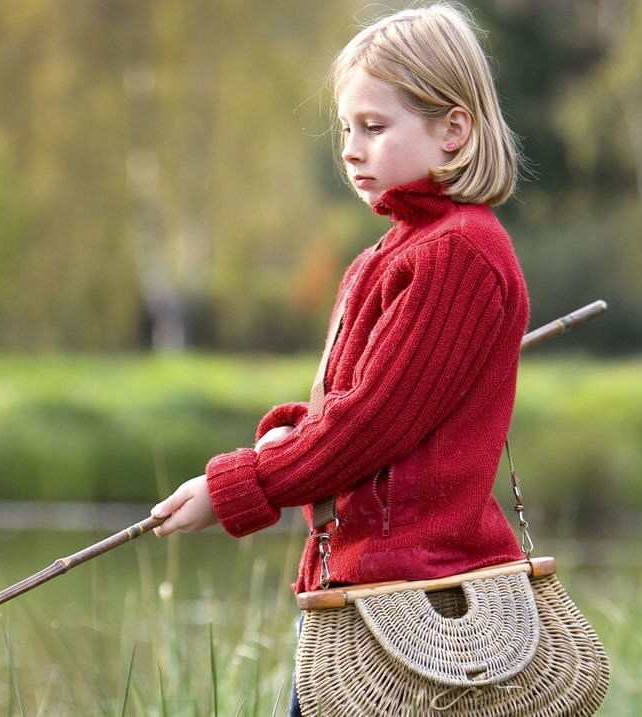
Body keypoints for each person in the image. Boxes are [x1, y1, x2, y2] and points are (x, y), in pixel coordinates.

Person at [151, 2, 530, 713]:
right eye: (346, 128)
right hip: (359, 589)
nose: (352, 148)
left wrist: (239, 485)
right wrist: (291, 432)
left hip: (414, 597)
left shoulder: (458, 254)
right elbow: (351, 406)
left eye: (375, 128)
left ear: (454, 130)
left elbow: (369, 426)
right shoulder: (388, 256)